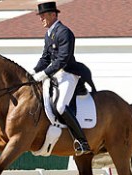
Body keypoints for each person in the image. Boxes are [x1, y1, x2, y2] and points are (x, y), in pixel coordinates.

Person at [33, 1, 91, 155]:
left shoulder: (64, 32)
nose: (41, 19)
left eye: (43, 15)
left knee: (60, 106)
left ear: (53, 14)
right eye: (41, 16)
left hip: (68, 73)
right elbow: (45, 58)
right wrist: (33, 73)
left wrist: (45, 73)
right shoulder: (49, 34)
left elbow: (63, 59)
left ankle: (82, 142)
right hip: (54, 73)